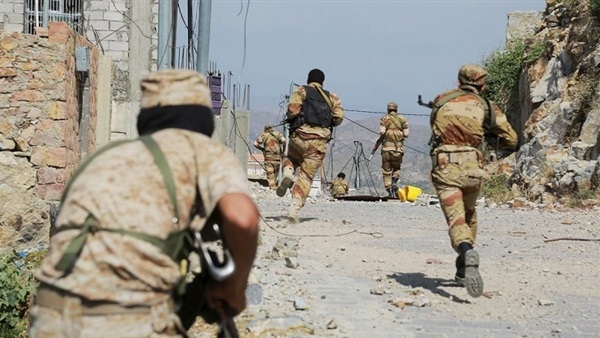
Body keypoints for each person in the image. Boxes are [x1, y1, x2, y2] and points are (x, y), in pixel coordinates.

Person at [28, 69, 260, 337]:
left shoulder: (102, 159)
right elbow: (243, 218)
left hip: (50, 315)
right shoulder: (201, 150)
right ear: (203, 119)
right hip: (128, 317)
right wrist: (235, 289)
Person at [429, 64, 517, 298]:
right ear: (483, 85)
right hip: (472, 166)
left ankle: (466, 251)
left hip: (446, 165)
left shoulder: (442, 99)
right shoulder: (488, 106)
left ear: (459, 83)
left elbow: (435, 127)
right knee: (469, 215)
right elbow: (511, 138)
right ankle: (462, 268)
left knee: (456, 218)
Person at [277, 68, 344, 223]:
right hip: (319, 143)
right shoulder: (332, 97)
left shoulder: (301, 91)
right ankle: (294, 208)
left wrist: (290, 118)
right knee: (306, 177)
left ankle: (288, 172)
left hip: (300, 136)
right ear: (322, 82)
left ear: (308, 80)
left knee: (289, 157)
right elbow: (339, 117)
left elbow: (293, 110)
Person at [373, 101, 410, 197]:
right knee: (397, 168)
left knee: (386, 170)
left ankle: (389, 189)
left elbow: (382, 132)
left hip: (386, 150)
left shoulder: (384, 119)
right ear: (396, 109)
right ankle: (394, 181)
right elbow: (406, 134)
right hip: (398, 150)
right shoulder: (403, 119)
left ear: (388, 109)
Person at [253, 124, 286, 190]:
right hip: (277, 158)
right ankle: (274, 188)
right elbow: (284, 141)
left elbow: (255, 144)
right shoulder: (278, 134)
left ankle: (272, 188)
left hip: (268, 157)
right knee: (275, 174)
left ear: (265, 129)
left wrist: (262, 149)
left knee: (270, 174)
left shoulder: (264, 135)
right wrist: (283, 151)